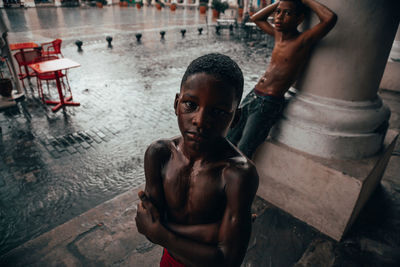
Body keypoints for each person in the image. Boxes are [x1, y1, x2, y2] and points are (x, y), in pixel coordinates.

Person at [135, 53, 259, 267]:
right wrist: (212, 234)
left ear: (236, 118)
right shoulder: (159, 155)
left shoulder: (237, 174)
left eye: (218, 112)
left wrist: (161, 234)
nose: (200, 121)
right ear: (176, 104)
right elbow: (147, 225)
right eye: (191, 105)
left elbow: (228, 260)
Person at [227, 0, 337, 158]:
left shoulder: (302, 41)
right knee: (229, 137)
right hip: (254, 94)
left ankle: (234, 182)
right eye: (278, 12)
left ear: (299, 19)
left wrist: (304, 0)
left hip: (268, 102)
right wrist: (280, 2)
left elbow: (330, 19)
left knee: (245, 148)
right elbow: (257, 18)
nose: (279, 17)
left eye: (287, 13)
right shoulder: (278, 35)